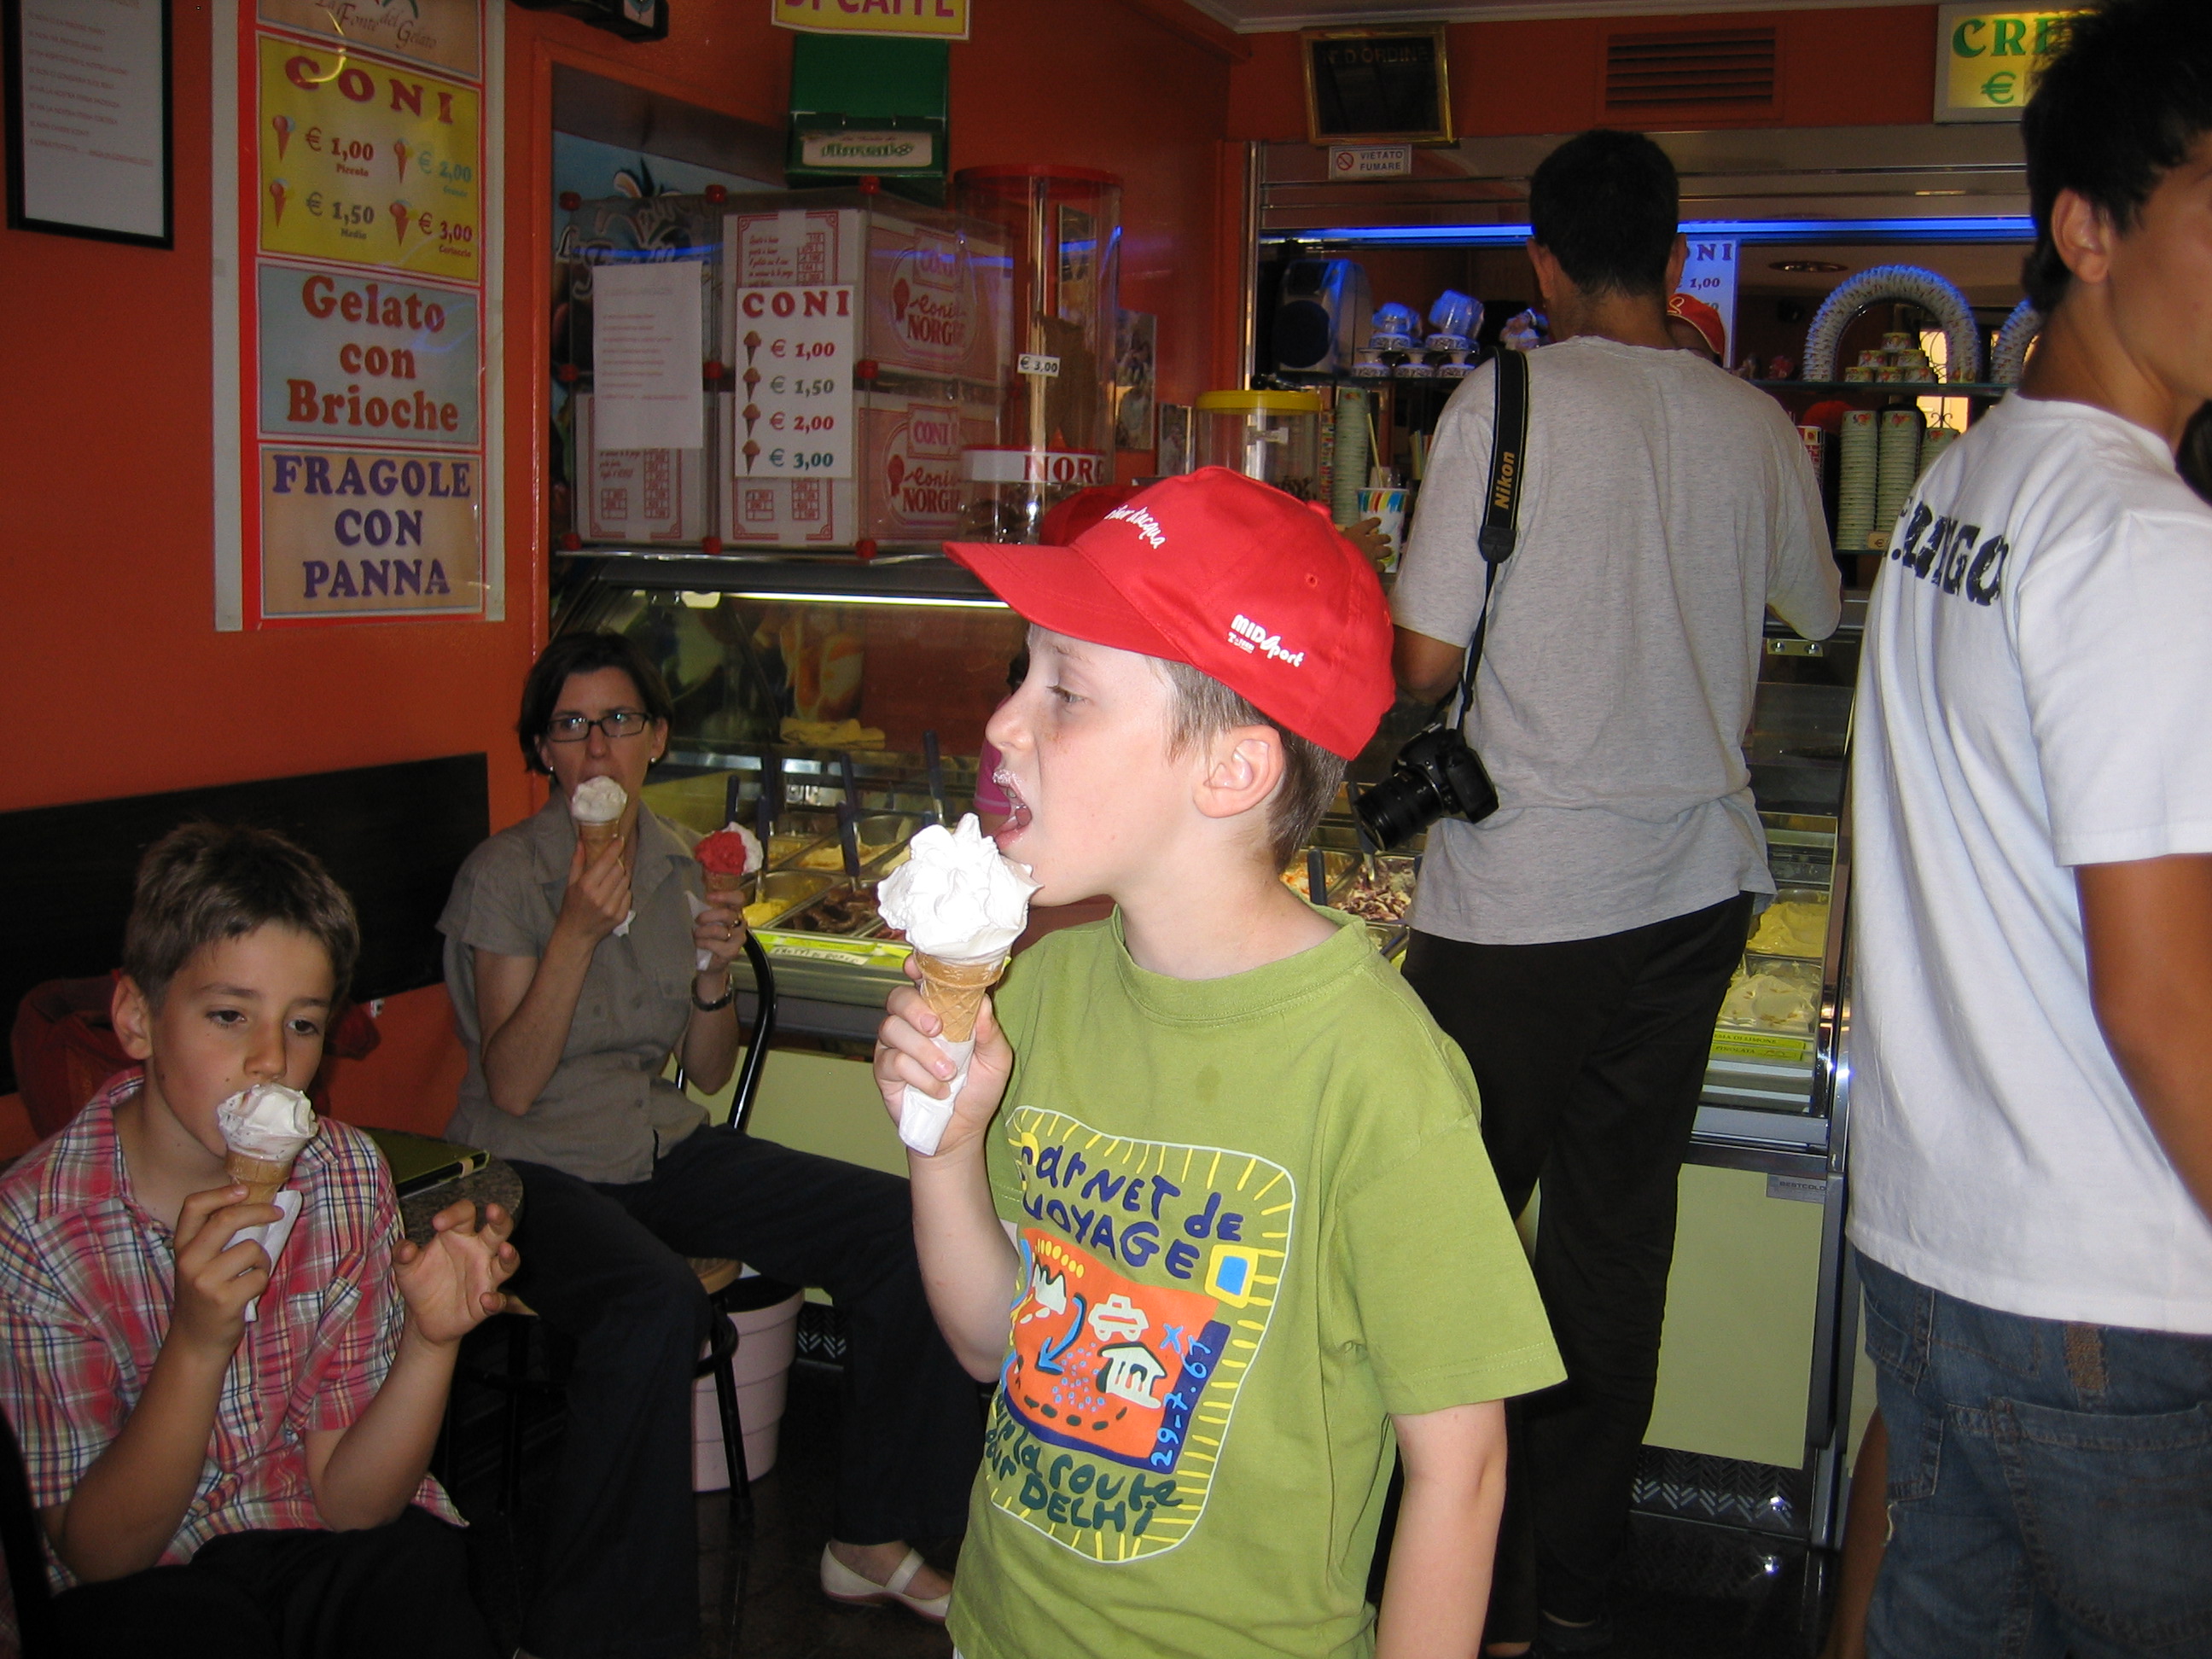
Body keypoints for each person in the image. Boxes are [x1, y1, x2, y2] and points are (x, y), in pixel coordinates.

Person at [874, 468, 1565, 1659]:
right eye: (1021, 674)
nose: (1004, 724)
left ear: (1231, 772)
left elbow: (1462, 1472)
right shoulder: (1043, 988)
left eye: (1066, 692)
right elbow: (994, 1344)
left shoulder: (1377, 1077)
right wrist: (947, 1143)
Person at [1388, 129, 1842, 1655]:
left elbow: (1423, 663)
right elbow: (1814, 607)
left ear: (1544, 260)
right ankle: (1570, 1578)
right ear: (1672, 249)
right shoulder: (1750, 419)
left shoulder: (1499, 401)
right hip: (1691, 893)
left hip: (1519, 905)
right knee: (1610, 1247)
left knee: (1437, 1240)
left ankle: (1450, 1582)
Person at [1847, 2, 2212, 1652]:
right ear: (2086, 228)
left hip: (1941, 1256)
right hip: (2118, 1297)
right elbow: (2162, 1001)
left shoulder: (1965, 484)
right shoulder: (2144, 541)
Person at [439, 630, 981, 1659]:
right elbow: (510, 1084)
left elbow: (710, 1066)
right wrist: (574, 934)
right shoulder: (506, 874)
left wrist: (708, 975)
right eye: (570, 725)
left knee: (902, 1229)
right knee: (653, 1306)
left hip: (656, 1143)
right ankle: (591, 1635)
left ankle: (869, 1537)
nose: (597, 746)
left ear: (657, 739)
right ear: (543, 750)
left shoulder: (683, 863)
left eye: (619, 721)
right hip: (528, 1167)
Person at [0, 824, 516, 1659]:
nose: (271, 1059)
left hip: (305, 1532)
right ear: (137, 1018)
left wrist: (431, 1342)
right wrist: (197, 1341)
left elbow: (354, 1506)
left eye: (303, 1024)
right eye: (229, 1015)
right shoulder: (36, 1229)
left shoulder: (347, 1177)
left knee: (421, 1573)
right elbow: (99, 1556)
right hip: (144, 1577)